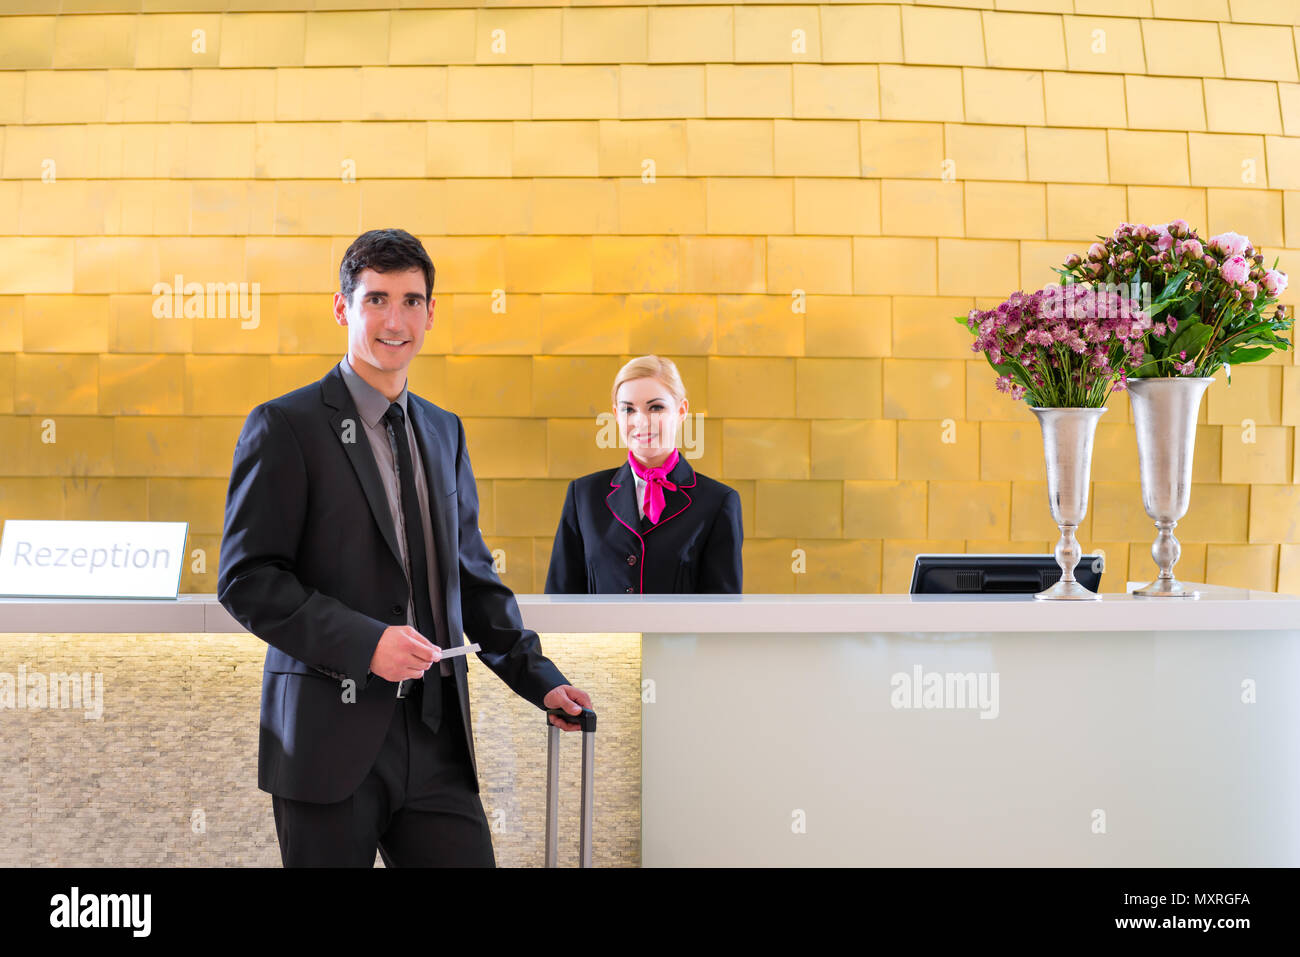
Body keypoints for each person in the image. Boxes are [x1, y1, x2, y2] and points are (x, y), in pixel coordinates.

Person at [217, 227, 592, 867]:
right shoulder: (286, 425)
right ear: (343, 308)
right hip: (326, 741)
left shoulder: (444, 431)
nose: (396, 319)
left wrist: (540, 679)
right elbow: (248, 579)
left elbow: (471, 580)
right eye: (377, 299)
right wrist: (368, 645)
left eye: (412, 301)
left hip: (438, 736)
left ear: (431, 312)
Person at [544, 355, 743, 594]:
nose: (641, 421)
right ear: (616, 415)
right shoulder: (583, 495)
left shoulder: (718, 502)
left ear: (681, 411)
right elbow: (560, 599)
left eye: (656, 407)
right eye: (629, 409)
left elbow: (721, 616)